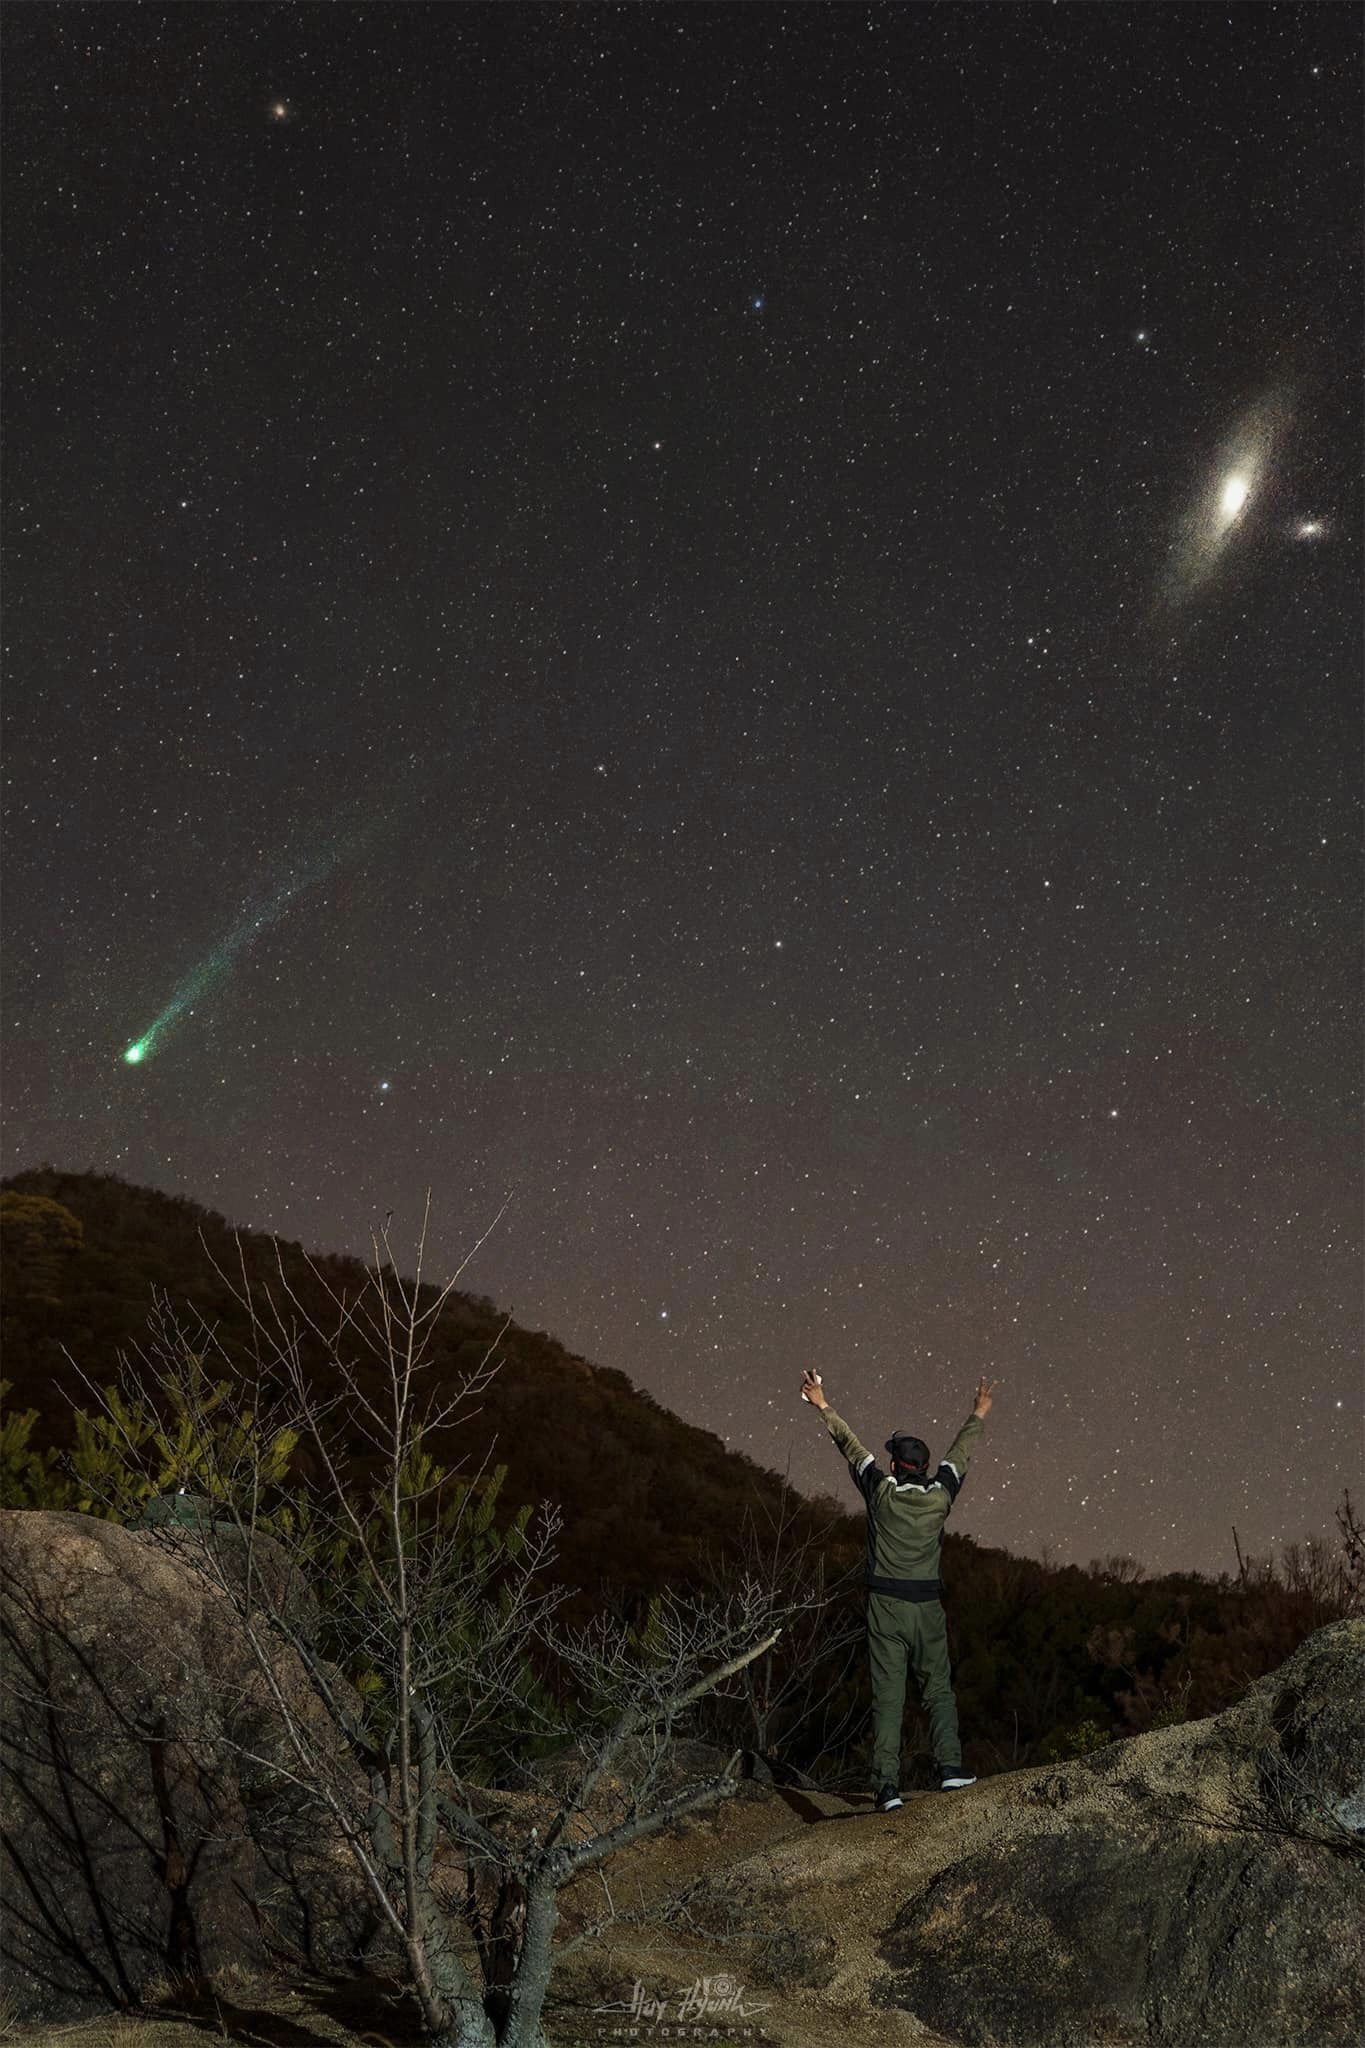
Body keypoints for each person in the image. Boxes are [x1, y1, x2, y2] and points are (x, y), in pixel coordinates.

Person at [800, 1367, 997, 1811]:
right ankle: (949, 1769)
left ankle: (886, 1788)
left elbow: (851, 1447)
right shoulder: (940, 1496)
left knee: (889, 1698)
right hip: (926, 1607)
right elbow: (959, 1455)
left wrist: (823, 1405)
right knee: (939, 1690)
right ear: (925, 1468)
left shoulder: (881, 1492)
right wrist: (978, 1414)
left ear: (895, 1466)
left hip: (885, 1606)